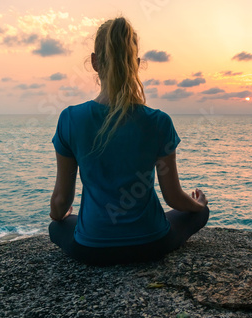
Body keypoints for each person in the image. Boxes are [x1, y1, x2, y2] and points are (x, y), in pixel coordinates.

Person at [48, 17, 209, 266]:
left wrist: (60, 215)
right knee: (200, 212)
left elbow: (61, 202)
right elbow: (174, 198)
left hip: (92, 249)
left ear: (94, 62)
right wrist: (198, 204)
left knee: (56, 227)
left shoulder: (70, 119)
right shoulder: (159, 121)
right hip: (151, 244)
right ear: (136, 65)